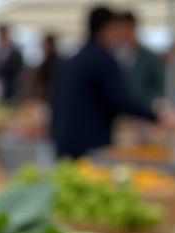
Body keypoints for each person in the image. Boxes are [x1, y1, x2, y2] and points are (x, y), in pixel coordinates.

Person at [51, 7, 164, 158]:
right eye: (115, 29)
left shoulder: (72, 60)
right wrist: (157, 117)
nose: (118, 35)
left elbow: (55, 101)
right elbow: (120, 100)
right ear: (105, 29)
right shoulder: (103, 60)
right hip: (88, 143)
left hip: (64, 141)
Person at [117, 12, 164, 109]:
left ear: (134, 28)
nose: (123, 34)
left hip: (144, 113)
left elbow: (161, 88)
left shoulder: (150, 58)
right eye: (121, 30)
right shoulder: (113, 57)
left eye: (127, 29)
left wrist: (145, 100)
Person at [32, 34, 60, 104]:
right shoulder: (48, 60)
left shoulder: (53, 61)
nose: (44, 47)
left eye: (45, 44)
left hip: (50, 96)